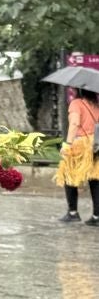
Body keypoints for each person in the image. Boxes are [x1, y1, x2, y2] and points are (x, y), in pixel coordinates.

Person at [54, 87, 99, 224]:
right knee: (95, 179)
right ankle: (97, 217)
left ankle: (73, 213)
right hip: (96, 145)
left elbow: (74, 123)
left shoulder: (76, 103)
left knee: (68, 175)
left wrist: (67, 144)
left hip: (80, 144)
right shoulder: (96, 105)